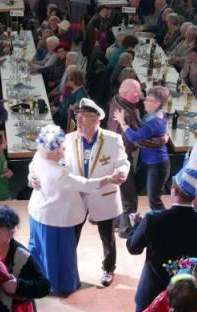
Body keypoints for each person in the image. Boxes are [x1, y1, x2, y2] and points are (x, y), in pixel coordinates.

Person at [126, 144, 197, 311]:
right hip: (189, 299)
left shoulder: (152, 219)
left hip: (154, 295)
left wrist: (136, 227)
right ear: (196, 195)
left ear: (173, 191)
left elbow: (133, 248)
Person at [27, 124, 125, 296]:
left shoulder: (38, 156)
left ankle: (42, 278)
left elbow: (32, 168)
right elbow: (86, 185)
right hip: (58, 219)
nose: (64, 152)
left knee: (43, 249)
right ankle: (63, 284)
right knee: (63, 253)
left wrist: (30, 177)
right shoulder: (59, 173)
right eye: (61, 149)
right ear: (53, 150)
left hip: (38, 214)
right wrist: (109, 178)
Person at [62, 98, 131, 288]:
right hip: (77, 195)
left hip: (103, 196)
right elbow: (61, 163)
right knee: (72, 234)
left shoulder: (112, 139)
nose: (79, 121)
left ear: (96, 120)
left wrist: (123, 172)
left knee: (107, 235)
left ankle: (108, 269)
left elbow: (123, 162)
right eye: (78, 116)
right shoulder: (69, 139)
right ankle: (68, 269)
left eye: (83, 117)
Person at [114, 86, 171, 213]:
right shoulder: (157, 115)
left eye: (148, 100)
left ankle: (166, 226)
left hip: (157, 165)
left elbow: (134, 136)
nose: (144, 101)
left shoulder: (154, 122)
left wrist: (122, 122)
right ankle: (124, 218)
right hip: (148, 163)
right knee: (134, 189)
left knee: (154, 200)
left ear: (157, 104)